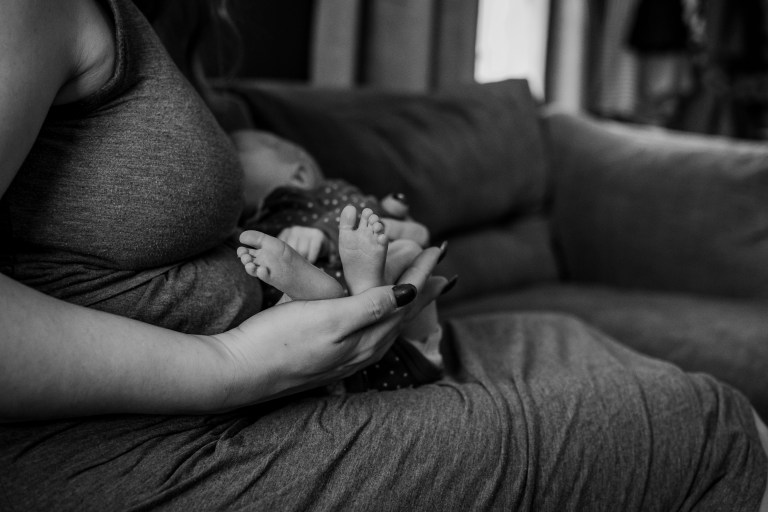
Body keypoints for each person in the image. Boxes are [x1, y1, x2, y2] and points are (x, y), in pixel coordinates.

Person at [0, 0, 766, 510]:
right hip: (135, 444)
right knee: (706, 424)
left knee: (568, 339)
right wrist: (228, 364)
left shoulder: (159, 23)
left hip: (283, 387)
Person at [232, 129, 446, 392]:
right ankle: (322, 290)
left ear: (300, 175)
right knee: (286, 301)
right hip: (325, 352)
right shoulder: (251, 231)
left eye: (236, 153)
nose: (225, 160)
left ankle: (364, 284)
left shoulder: (327, 193)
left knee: (407, 250)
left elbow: (365, 214)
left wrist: (325, 235)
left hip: (402, 341)